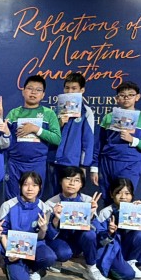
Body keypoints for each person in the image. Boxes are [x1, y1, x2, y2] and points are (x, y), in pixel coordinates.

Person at [91, 81, 141, 199]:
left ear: (137, 97)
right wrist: (94, 168)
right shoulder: (108, 117)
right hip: (108, 162)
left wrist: (133, 140)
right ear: (117, 98)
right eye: (122, 95)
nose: (126, 98)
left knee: (125, 197)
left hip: (131, 163)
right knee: (107, 197)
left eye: (131, 95)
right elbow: (99, 144)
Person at [45, 166, 109, 280]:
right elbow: (48, 235)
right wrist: (56, 218)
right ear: (61, 181)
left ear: (81, 185)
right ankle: (55, 259)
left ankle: (91, 268)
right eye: (68, 179)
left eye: (76, 180)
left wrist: (91, 215)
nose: (71, 183)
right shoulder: (51, 203)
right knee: (63, 253)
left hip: (78, 239)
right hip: (60, 240)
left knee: (90, 234)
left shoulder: (88, 201)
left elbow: (96, 229)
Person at [0, 76, 62, 200]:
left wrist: (36, 129)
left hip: (37, 163)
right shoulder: (14, 113)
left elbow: (57, 139)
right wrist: (0, 118)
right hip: (15, 164)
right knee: (12, 200)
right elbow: (4, 138)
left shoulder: (49, 114)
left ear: (43, 95)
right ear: (23, 91)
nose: (33, 92)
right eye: (30, 88)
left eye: (38, 90)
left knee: (34, 199)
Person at [0, 172, 58, 280]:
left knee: (50, 257)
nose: (30, 189)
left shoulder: (44, 208)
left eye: (34, 185)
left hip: (34, 246)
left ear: (40, 187)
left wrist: (43, 229)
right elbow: (2, 233)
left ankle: (33, 267)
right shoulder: (8, 205)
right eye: (26, 184)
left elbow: (41, 237)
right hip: (13, 247)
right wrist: (10, 252)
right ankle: (11, 265)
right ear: (20, 186)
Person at [47, 72, 95, 200]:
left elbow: (88, 141)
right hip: (54, 160)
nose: (69, 91)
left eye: (74, 88)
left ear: (82, 90)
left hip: (73, 163)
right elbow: (49, 136)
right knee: (54, 196)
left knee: (71, 197)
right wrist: (59, 124)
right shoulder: (56, 110)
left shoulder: (86, 112)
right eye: (67, 88)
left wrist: (83, 165)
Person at [94, 178, 141, 280]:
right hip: (111, 249)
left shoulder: (135, 209)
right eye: (118, 193)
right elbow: (99, 241)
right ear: (111, 194)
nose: (123, 197)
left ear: (132, 195)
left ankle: (130, 261)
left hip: (126, 248)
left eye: (127, 193)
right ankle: (112, 266)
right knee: (127, 275)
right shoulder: (105, 212)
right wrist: (109, 232)